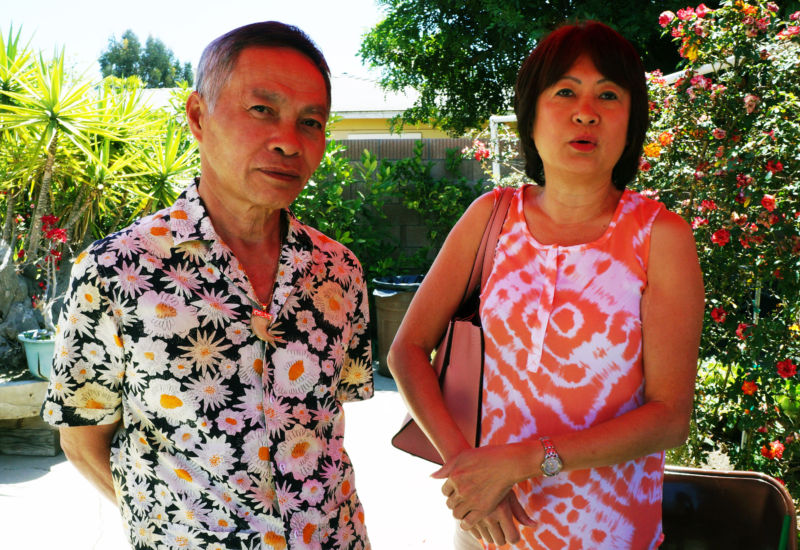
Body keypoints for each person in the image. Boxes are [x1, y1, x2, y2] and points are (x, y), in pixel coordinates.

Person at [41, 21, 373, 550]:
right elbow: (82, 439)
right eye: (261, 109)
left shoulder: (338, 271)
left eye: (310, 122)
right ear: (198, 116)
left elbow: (325, 428)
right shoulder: (115, 271)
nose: (289, 142)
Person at [388, 21, 704, 550]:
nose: (586, 112)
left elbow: (669, 417)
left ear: (632, 122)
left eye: (609, 94)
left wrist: (523, 460)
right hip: (489, 527)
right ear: (530, 115)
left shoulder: (660, 236)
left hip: (611, 532)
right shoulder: (490, 217)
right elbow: (408, 350)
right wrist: (468, 470)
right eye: (565, 92)